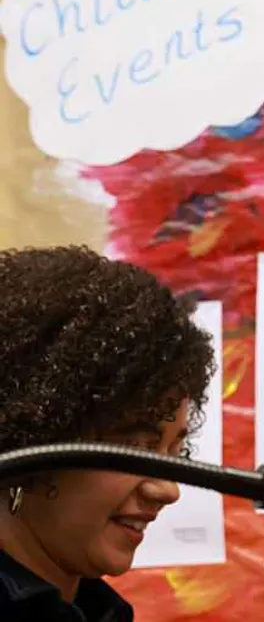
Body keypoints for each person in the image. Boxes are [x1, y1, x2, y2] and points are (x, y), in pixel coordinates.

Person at [0, 246, 215, 622]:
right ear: (31, 439)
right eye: (135, 449)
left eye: (174, 453)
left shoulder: (99, 610)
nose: (168, 490)